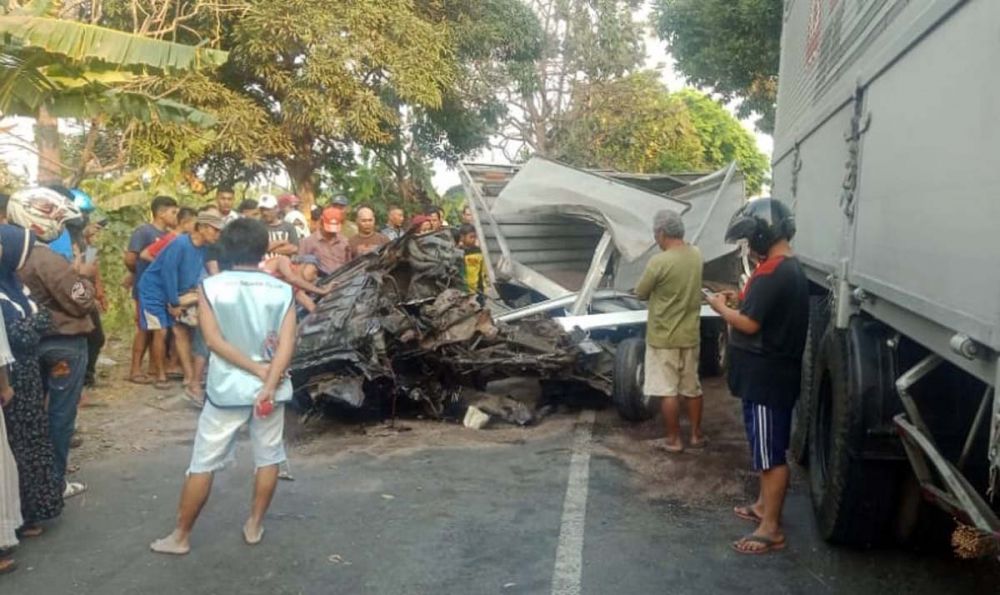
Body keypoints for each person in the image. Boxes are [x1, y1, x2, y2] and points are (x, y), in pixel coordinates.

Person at [150, 218, 297, 555]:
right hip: (271, 390)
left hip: (227, 389)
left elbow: (213, 341)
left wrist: (253, 369)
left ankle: (181, 537)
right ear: (264, 248)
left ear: (226, 248)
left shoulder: (212, 286)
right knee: (269, 456)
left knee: (202, 462)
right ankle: (254, 525)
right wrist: (268, 379)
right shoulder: (282, 289)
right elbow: (288, 343)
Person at [706, 198, 809, 555]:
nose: (749, 247)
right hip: (766, 377)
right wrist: (738, 298)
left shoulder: (775, 271)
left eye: (751, 239)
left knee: (770, 455)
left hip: (767, 379)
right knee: (764, 449)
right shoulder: (782, 268)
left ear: (765, 233)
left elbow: (750, 323)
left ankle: (770, 529)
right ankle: (764, 507)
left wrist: (721, 308)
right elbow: (759, 309)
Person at [10, 188, 95, 500]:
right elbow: (81, 300)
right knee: (60, 415)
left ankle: (33, 482)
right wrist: (83, 276)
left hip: (32, 344)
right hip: (64, 344)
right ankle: (54, 483)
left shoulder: (13, 254)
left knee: (35, 414)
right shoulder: (43, 256)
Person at [0, 224, 62, 547]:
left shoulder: (14, 285)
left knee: (33, 441)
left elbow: (38, 321)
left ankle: (34, 511)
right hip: (11, 379)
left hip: (28, 374)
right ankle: (19, 518)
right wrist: (35, 322)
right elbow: (21, 334)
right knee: (17, 447)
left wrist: (33, 324)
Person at [634, 210, 705, 453]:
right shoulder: (696, 254)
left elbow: (641, 293)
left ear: (662, 233)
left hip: (663, 337)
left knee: (668, 391)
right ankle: (696, 435)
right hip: (690, 334)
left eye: (656, 234)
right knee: (692, 387)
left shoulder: (659, 262)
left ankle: (674, 440)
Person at [137, 210, 223, 391]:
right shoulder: (181, 243)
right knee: (160, 331)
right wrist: (174, 302)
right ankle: (160, 374)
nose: (218, 234)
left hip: (178, 292)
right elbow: (169, 272)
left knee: (180, 331)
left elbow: (195, 273)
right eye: (215, 230)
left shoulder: (204, 248)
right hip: (154, 290)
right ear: (203, 228)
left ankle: (190, 376)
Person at [125, 195, 179, 385]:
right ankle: (135, 369)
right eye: (173, 212)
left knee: (158, 329)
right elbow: (131, 258)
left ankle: (154, 367)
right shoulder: (144, 232)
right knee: (144, 329)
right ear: (161, 213)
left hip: (162, 289)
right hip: (146, 288)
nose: (176, 216)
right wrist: (137, 274)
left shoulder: (170, 235)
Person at [298, 207, 353, 276]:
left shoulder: (344, 241)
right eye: (329, 229)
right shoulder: (307, 242)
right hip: (319, 282)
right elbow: (300, 269)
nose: (331, 233)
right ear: (321, 222)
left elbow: (349, 264)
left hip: (342, 280)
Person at [458, 224, 484, 296]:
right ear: (462, 237)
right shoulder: (457, 252)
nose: (473, 239)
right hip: (462, 290)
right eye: (471, 237)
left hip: (477, 290)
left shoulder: (479, 252)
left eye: (475, 237)